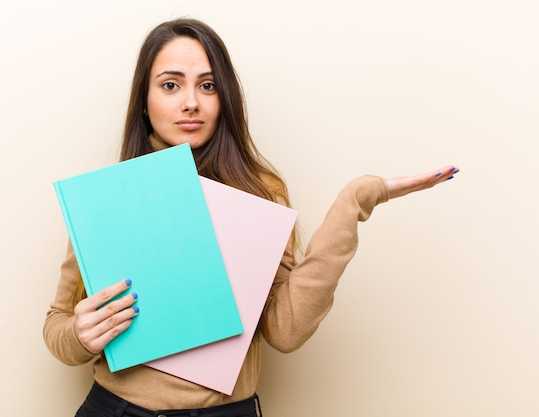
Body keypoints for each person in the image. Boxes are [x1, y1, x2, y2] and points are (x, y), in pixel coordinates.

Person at [43, 18, 460, 417]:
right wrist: (79, 336)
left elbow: (286, 331)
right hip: (115, 410)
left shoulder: (260, 193)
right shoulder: (106, 197)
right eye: (170, 85)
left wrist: (356, 199)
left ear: (225, 98)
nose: (191, 102)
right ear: (144, 102)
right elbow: (57, 325)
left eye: (207, 85)